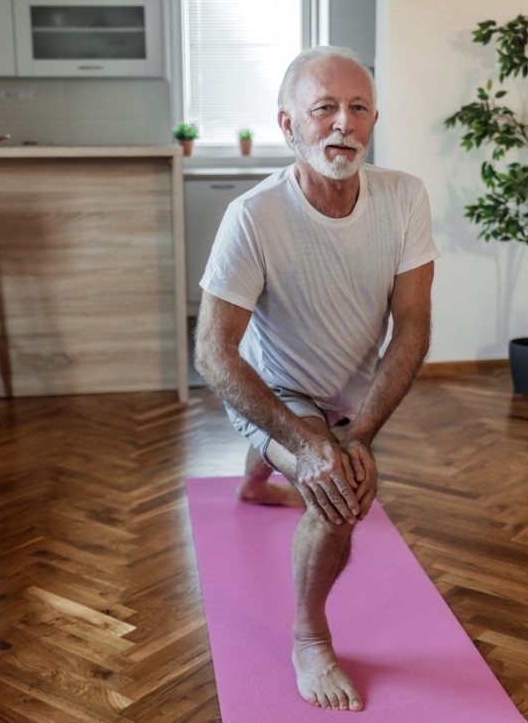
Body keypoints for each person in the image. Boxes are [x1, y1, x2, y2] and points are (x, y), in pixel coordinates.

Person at [194, 46, 438, 712]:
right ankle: (310, 635)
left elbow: (412, 326)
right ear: (287, 124)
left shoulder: (405, 197)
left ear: (375, 119)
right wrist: (316, 447)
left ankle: (253, 479)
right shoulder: (254, 215)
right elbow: (214, 354)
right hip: (274, 387)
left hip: (348, 392)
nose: (342, 123)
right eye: (323, 107)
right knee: (335, 490)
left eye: (357, 108)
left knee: (336, 450)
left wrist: (360, 431)